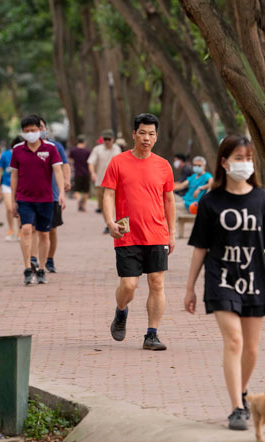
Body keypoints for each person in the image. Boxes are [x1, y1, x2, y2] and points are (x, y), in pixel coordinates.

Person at [183, 135, 265, 431]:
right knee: (234, 340)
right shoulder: (210, 201)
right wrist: (190, 287)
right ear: (223, 162)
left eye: (248, 159)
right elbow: (200, 247)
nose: (244, 164)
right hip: (220, 278)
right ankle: (236, 409)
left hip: (254, 279)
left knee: (252, 348)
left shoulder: (261, 198)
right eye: (238, 158)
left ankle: (242, 392)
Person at [102, 113, 175, 351]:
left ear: (156, 136)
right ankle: (121, 311)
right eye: (142, 133)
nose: (147, 138)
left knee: (157, 283)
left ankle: (151, 335)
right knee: (129, 285)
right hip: (127, 233)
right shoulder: (118, 162)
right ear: (134, 134)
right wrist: (110, 222)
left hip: (157, 233)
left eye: (151, 134)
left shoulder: (163, 165)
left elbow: (169, 201)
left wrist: (171, 234)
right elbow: (108, 194)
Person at [10, 114, 66, 285]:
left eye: (33, 130)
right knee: (26, 230)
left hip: (46, 198)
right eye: (27, 131)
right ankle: (27, 267)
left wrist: (61, 193)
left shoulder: (50, 149)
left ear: (40, 130)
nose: (30, 134)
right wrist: (13, 199)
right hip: (24, 198)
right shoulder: (18, 150)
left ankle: (41, 268)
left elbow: (58, 171)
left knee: (44, 233)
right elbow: (14, 175)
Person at [37, 117, 71, 273]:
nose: (39, 130)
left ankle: (49, 259)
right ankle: (33, 260)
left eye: (41, 127)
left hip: (53, 195)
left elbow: (65, 165)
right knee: (32, 230)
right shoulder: (24, 148)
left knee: (51, 230)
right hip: (33, 196)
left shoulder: (55, 146)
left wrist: (66, 181)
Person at [88, 129, 122, 227]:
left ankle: (112, 222)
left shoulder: (117, 149)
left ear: (113, 139)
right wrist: (93, 173)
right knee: (103, 206)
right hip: (101, 181)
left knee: (114, 203)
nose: (107, 141)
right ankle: (109, 223)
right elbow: (91, 162)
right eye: (105, 139)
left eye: (109, 139)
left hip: (115, 182)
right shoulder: (97, 149)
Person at [0, 136, 22, 241]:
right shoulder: (5, 155)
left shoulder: (25, 154)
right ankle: (11, 230)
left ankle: (20, 232)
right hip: (7, 185)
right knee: (9, 207)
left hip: (21, 186)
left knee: (20, 209)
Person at [69, 134, 91, 212]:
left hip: (77, 173)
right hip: (86, 173)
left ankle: (79, 200)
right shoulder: (87, 151)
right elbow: (90, 162)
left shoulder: (73, 150)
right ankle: (83, 205)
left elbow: (70, 160)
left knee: (76, 190)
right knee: (86, 190)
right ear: (84, 141)